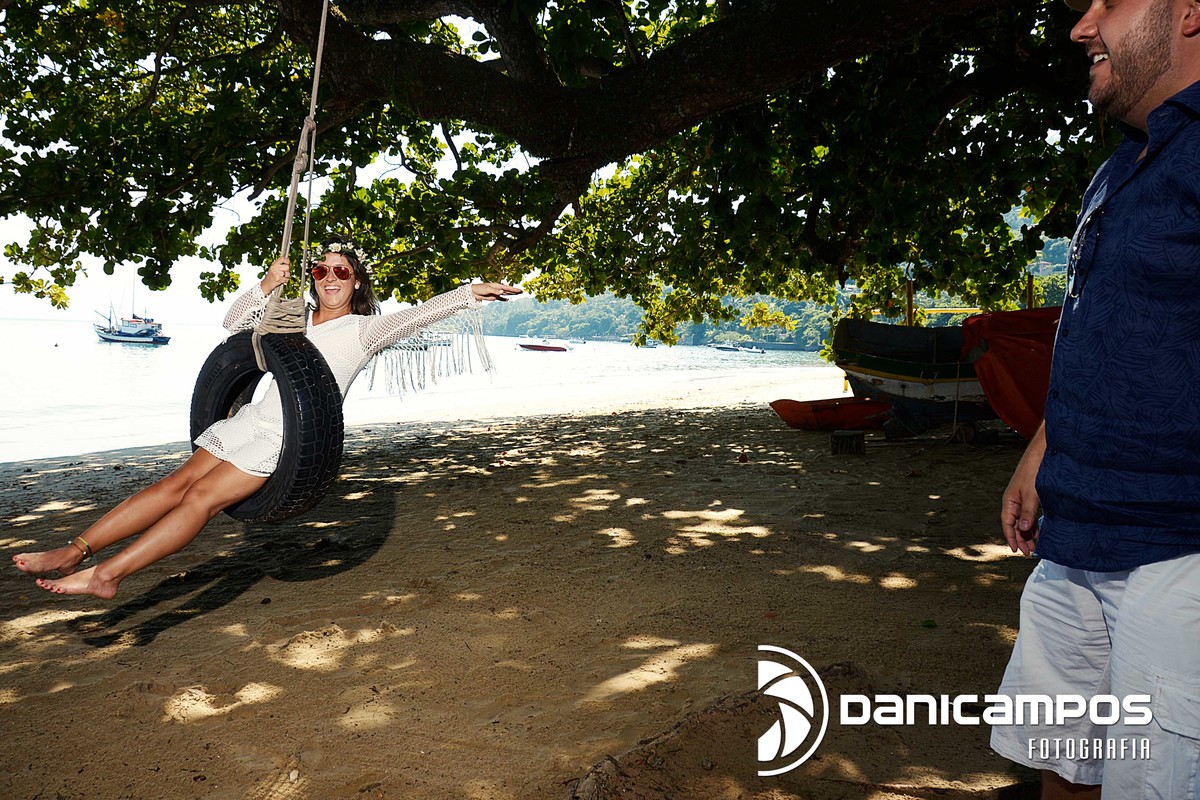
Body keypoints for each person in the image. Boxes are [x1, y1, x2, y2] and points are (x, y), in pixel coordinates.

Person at [12, 239, 521, 599]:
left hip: (285, 438)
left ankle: (110, 574)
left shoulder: (366, 331)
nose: (328, 279)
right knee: (175, 483)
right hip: (249, 420)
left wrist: (469, 293)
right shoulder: (291, 315)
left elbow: (419, 315)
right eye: (320, 271)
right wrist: (266, 285)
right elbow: (234, 327)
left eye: (341, 272)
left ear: (357, 281)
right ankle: (75, 551)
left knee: (201, 499)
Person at [990, 0, 1200, 797]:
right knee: (1060, 762)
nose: (1083, 25)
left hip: (1178, 554)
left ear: (1187, 14)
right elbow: (1106, 330)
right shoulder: (1121, 163)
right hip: (1073, 540)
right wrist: (1042, 453)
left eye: (1110, 1)